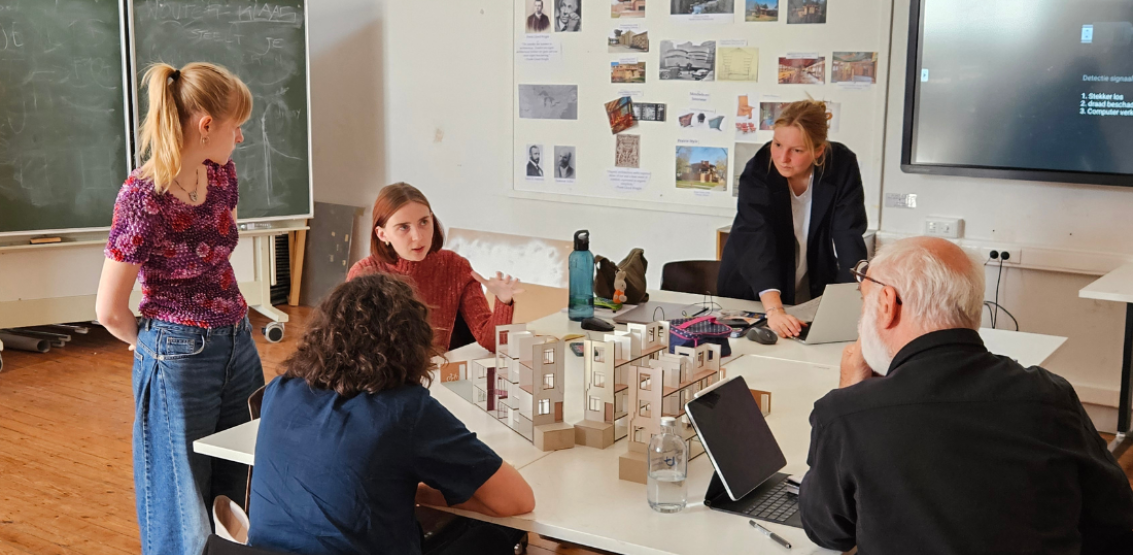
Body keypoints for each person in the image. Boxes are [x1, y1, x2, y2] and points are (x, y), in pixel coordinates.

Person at [800, 237, 1133, 554]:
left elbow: (829, 532)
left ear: (887, 305)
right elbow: (1114, 519)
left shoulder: (847, 413)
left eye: (864, 303)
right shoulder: (1050, 395)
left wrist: (850, 393)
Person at [95, 62, 261, 555]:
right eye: (237, 127)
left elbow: (220, 245)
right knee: (181, 493)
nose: (242, 138)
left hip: (238, 339)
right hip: (178, 350)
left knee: (243, 477)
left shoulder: (223, 174)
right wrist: (149, 348)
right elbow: (109, 308)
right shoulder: (143, 196)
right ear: (206, 125)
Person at [248, 274, 536, 555]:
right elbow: (516, 500)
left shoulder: (280, 389)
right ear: (412, 340)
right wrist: (419, 491)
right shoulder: (404, 410)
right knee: (498, 530)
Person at [717, 99, 867, 338]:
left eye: (796, 150)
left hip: (809, 279)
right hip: (754, 285)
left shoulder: (841, 164)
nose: (782, 157)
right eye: (777, 144)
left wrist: (852, 299)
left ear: (819, 150)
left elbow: (848, 232)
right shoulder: (759, 169)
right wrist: (774, 309)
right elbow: (757, 238)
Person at [347, 183, 523, 351]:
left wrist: (503, 300)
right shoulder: (364, 273)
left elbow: (491, 343)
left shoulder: (454, 267)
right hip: (386, 378)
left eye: (424, 222)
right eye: (403, 227)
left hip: (438, 373)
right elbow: (354, 349)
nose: (418, 236)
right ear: (382, 234)